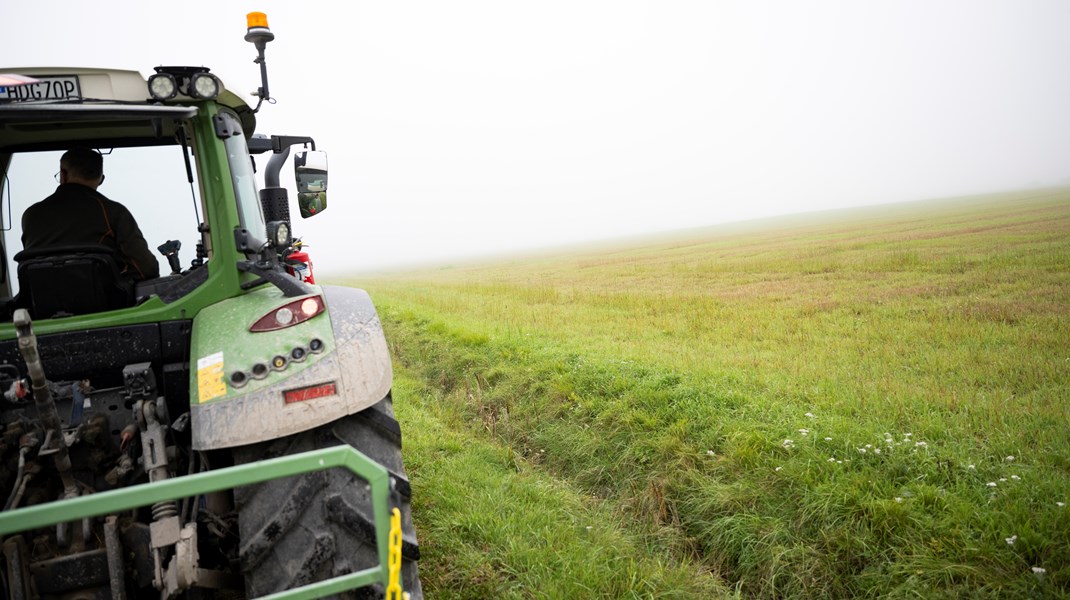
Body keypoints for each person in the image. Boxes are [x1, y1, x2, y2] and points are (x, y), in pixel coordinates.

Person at [22, 148, 160, 281]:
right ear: (101, 179)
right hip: (105, 303)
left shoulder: (31, 214)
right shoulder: (113, 212)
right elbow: (146, 269)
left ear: (63, 175)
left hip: (42, 300)